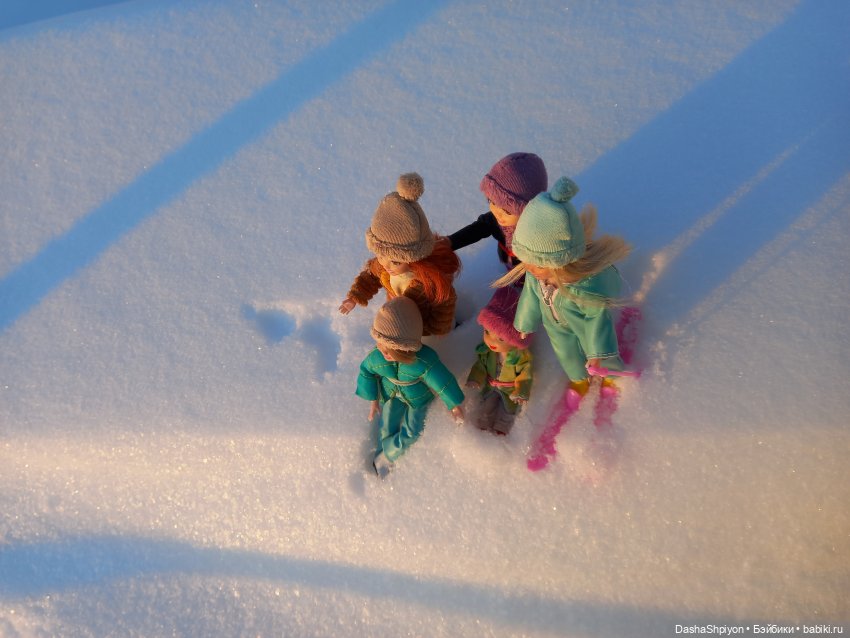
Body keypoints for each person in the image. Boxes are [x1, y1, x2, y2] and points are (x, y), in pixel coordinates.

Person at [494, 176, 631, 400]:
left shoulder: (586, 286)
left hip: (581, 320)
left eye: (538, 263)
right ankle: (578, 378)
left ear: (560, 261)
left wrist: (598, 354)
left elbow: (598, 320)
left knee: (590, 341)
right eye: (527, 261)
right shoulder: (536, 274)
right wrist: (524, 323)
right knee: (565, 352)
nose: (531, 270)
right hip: (554, 323)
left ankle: (611, 371)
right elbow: (530, 296)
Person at [355, 297, 465, 477]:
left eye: (390, 349)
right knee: (386, 425)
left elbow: (442, 381)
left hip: (417, 396)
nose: (383, 352)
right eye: (380, 344)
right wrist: (374, 398)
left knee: (412, 431)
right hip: (391, 393)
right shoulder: (377, 357)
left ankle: (388, 455)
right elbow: (366, 371)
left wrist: (454, 404)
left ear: (406, 346)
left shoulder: (422, 361)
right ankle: (379, 458)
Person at [340, 173, 461, 336]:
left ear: (413, 257)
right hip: (400, 318)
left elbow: (445, 303)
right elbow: (370, 276)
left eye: (396, 262)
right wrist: (355, 297)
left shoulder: (429, 281)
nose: (386, 265)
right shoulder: (382, 266)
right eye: (381, 256)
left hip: (422, 324)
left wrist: (433, 330)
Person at [447, 152, 548, 271]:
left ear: (529, 210)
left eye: (507, 211)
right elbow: (476, 230)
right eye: (492, 201)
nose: (497, 212)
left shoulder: (539, 233)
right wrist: (450, 242)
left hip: (532, 273)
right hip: (509, 263)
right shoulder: (495, 221)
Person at [465, 286, 533, 435]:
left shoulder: (520, 357)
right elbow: (480, 366)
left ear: (515, 340)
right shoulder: (487, 351)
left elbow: (525, 374)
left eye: (501, 338)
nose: (491, 341)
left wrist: (521, 390)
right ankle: (483, 424)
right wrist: (475, 379)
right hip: (490, 387)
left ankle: (502, 427)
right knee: (487, 405)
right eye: (487, 332)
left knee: (506, 410)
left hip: (509, 390)